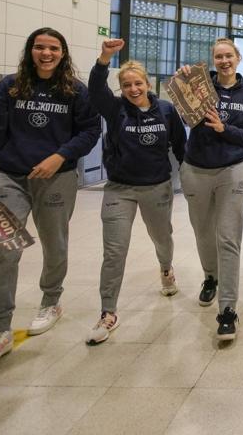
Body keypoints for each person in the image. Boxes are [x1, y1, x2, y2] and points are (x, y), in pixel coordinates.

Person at [0, 27, 101, 367]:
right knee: (3, 250)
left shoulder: (75, 91)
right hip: (10, 176)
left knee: (55, 243)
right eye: (40, 47)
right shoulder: (11, 87)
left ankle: (51, 300)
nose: (46, 53)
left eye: (53, 48)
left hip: (57, 178)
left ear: (63, 53)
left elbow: (90, 131)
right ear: (30, 51)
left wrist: (60, 156)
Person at [85, 39, 186, 345]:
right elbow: (95, 89)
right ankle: (108, 312)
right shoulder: (115, 110)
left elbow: (180, 146)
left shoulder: (166, 111)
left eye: (138, 83)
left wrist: (189, 176)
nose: (133, 89)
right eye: (127, 85)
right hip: (119, 189)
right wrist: (104, 58)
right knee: (114, 251)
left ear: (147, 83)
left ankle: (166, 269)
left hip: (157, 187)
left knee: (162, 238)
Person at [179, 38, 243, 341]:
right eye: (218, 56)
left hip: (233, 171)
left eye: (229, 55)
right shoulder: (200, 86)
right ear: (213, 60)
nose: (224, 61)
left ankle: (228, 309)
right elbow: (182, 109)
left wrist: (223, 129)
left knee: (227, 238)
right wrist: (183, 80)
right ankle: (210, 277)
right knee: (203, 233)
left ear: (238, 58)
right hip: (197, 169)